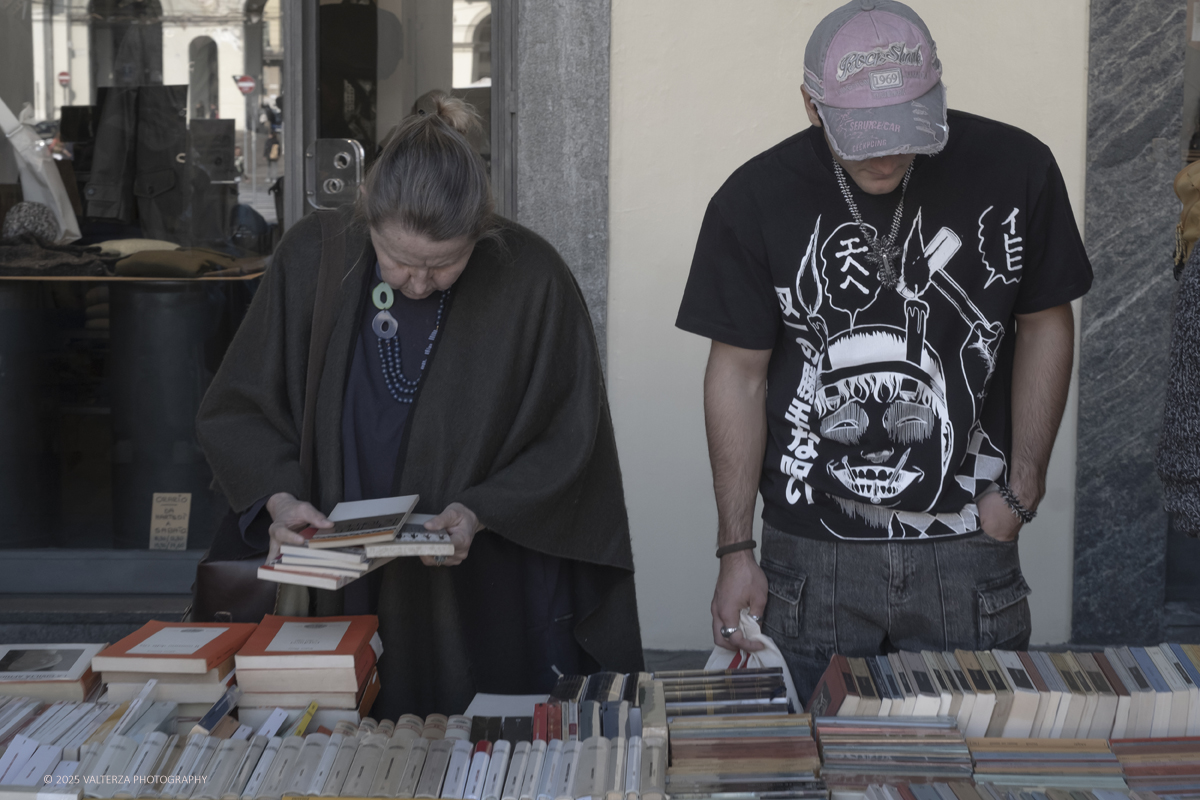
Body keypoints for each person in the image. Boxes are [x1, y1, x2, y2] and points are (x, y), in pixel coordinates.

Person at [675, 0, 1092, 701]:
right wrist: (735, 548)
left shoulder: (1017, 170)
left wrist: (1022, 488)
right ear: (811, 106)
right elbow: (738, 376)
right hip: (811, 553)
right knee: (810, 760)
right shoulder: (755, 199)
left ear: (936, 93)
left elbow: (1047, 320)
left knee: (976, 760)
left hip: (969, 545)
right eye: (862, 136)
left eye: (905, 129)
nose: (887, 154)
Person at [197, 93, 643, 717]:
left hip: (482, 595)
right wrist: (280, 499)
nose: (417, 283)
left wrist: (481, 512)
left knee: (478, 752)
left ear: (481, 231)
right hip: (337, 587)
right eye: (400, 260)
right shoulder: (312, 257)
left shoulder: (532, 277)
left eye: (444, 265)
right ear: (367, 219)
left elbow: (571, 438)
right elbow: (241, 408)